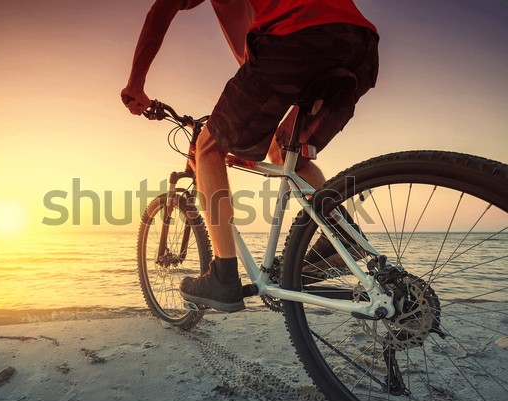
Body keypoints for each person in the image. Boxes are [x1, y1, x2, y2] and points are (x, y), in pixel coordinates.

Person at [122, 0, 379, 312]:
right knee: (286, 152)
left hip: (296, 39)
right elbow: (254, 59)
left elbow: (162, 9)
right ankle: (341, 235)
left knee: (208, 147)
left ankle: (223, 276)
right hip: (360, 46)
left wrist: (136, 83)